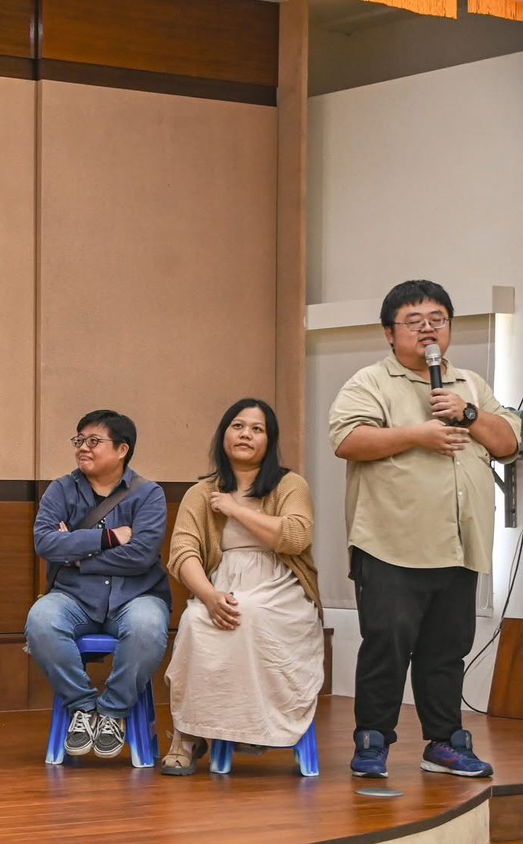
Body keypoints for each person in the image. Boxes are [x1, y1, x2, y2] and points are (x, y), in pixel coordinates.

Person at [330, 279, 521, 778]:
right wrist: (418, 435)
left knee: (447, 650)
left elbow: (508, 443)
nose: (428, 330)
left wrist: (468, 414)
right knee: (386, 646)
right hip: (390, 544)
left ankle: (444, 742)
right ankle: (373, 741)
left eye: (438, 320)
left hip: (458, 544)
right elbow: (347, 440)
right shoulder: (370, 382)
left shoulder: (469, 385)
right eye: (414, 322)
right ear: (389, 333)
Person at [161, 399, 323, 775]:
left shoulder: (290, 484)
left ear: (270, 440)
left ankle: (253, 727)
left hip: (282, 587)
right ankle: (188, 734)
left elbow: (296, 536)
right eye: (238, 426)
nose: (246, 434)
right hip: (221, 584)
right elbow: (183, 553)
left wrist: (236, 509)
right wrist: (208, 596)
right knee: (196, 622)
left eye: (257, 428)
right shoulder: (201, 493)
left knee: (250, 613)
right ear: (224, 435)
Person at [27, 409, 171, 760]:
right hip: (73, 597)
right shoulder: (61, 490)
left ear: (122, 449)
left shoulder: (148, 494)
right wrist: (108, 538)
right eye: (79, 440)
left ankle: (113, 712)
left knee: (147, 625)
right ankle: (84, 707)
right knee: (41, 620)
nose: (83, 448)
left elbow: (141, 555)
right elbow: (45, 543)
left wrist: (77, 554)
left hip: (136, 595)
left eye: (94, 441)